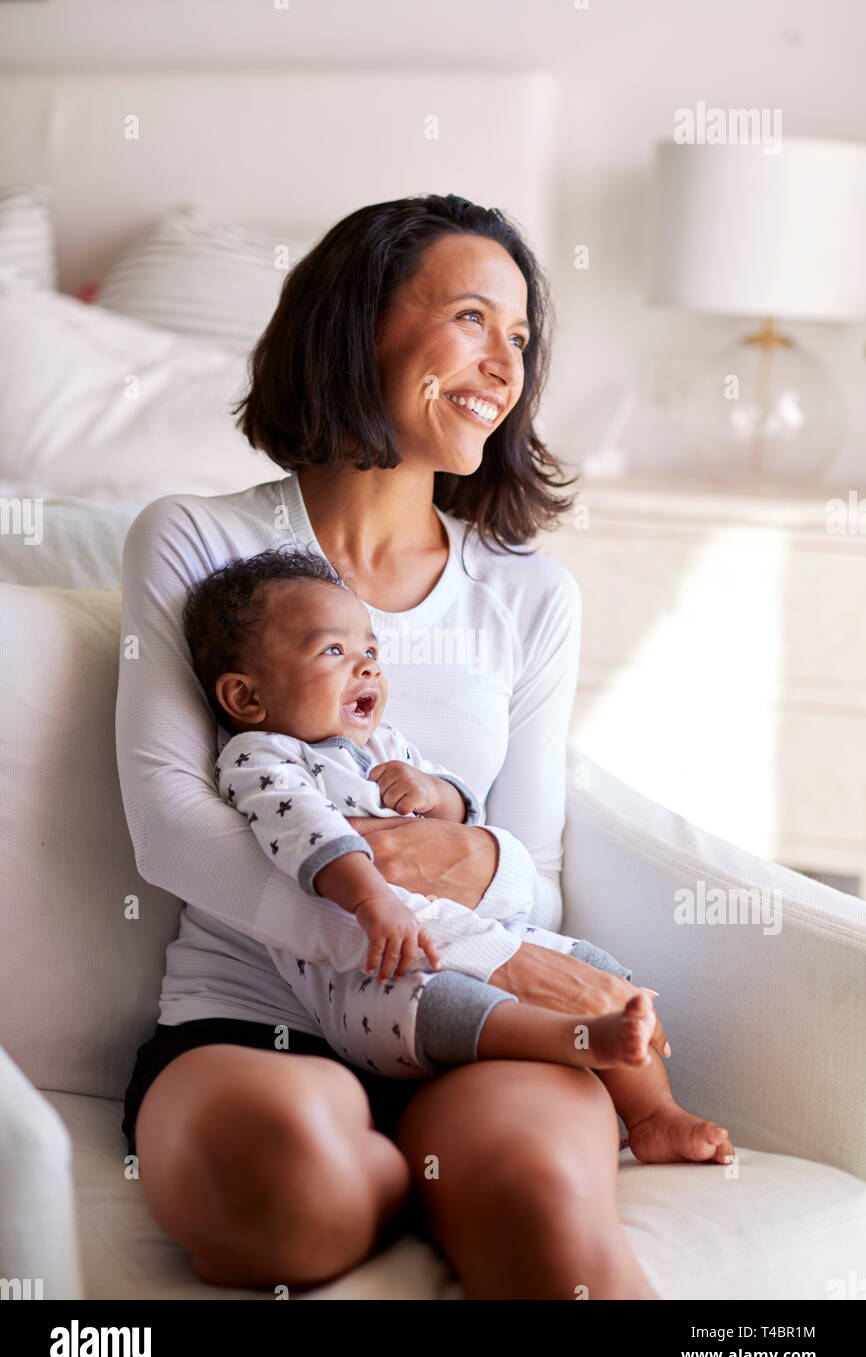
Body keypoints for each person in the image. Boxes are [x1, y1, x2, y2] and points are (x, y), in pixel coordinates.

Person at [116, 193, 730, 1301]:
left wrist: (469, 871)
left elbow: (531, 874)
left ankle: (449, 1173)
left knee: (543, 1213)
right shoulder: (199, 539)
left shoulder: (528, 593)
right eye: (468, 318)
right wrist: (398, 927)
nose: (503, 364)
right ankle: (397, 1177)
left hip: (485, 1025)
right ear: (357, 327)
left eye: (520, 339)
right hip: (254, 1017)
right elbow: (169, 824)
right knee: (291, 1203)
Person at [184, 544, 661, 1085]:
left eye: (370, 651)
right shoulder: (260, 758)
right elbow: (309, 834)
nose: (366, 665)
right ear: (245, 698)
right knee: (449, 1005)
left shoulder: (385, 743)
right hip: (372, 973)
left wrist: (435, 791)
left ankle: (655, 1112)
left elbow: (460, 820)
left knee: (597, 967)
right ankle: (568, 1040)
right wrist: (372, 901)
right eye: (333, 651)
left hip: (470, 929)